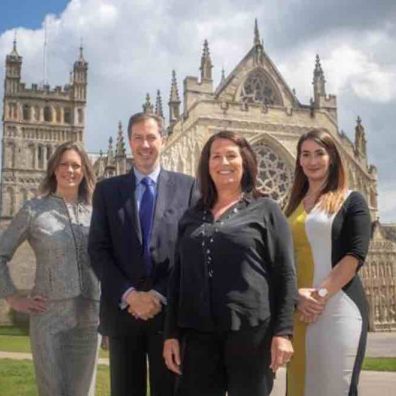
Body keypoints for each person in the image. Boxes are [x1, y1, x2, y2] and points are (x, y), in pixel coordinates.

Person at [163, 131, 297, 396]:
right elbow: (178, 279)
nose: (223, 163)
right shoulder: (192, 216)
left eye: (231, 156)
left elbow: (285, 273)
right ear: (207, 164)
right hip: (197, 332)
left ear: (245, 162)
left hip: (251, 332)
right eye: (216, 156)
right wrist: (171, 334)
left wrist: (283, 332)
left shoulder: (266, 209)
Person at [88, 112, 196, 396]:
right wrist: (129, 295)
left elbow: (190, 250)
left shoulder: (188, 188)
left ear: (163, 139)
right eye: (138, 138)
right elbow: (98, 250)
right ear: (130, 142)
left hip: (170, 316)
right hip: (124, 315)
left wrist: (158, 295)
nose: (145, 145)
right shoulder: (107, 191)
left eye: (151, 137)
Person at [0, 142, 100, 396]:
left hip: (90, 318)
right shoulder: (34, 210)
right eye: (64, 164)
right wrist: (13, 297)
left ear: (85, 171)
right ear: (54, 169)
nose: (70, 170)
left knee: (83, 392)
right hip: (49, 318)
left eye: (76, 165)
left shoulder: (96, 212)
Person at [285, 129, 371, 396]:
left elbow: (355, 255)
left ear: (332, 157)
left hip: (338, 307)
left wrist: (319, 296)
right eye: (306, 154)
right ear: (298, 160)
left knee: (336, 387)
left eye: (319, 153)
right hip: (301, 309)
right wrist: (297, 297)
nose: (312, 161)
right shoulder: (293, 206)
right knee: (300, 386)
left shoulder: (352, 199)